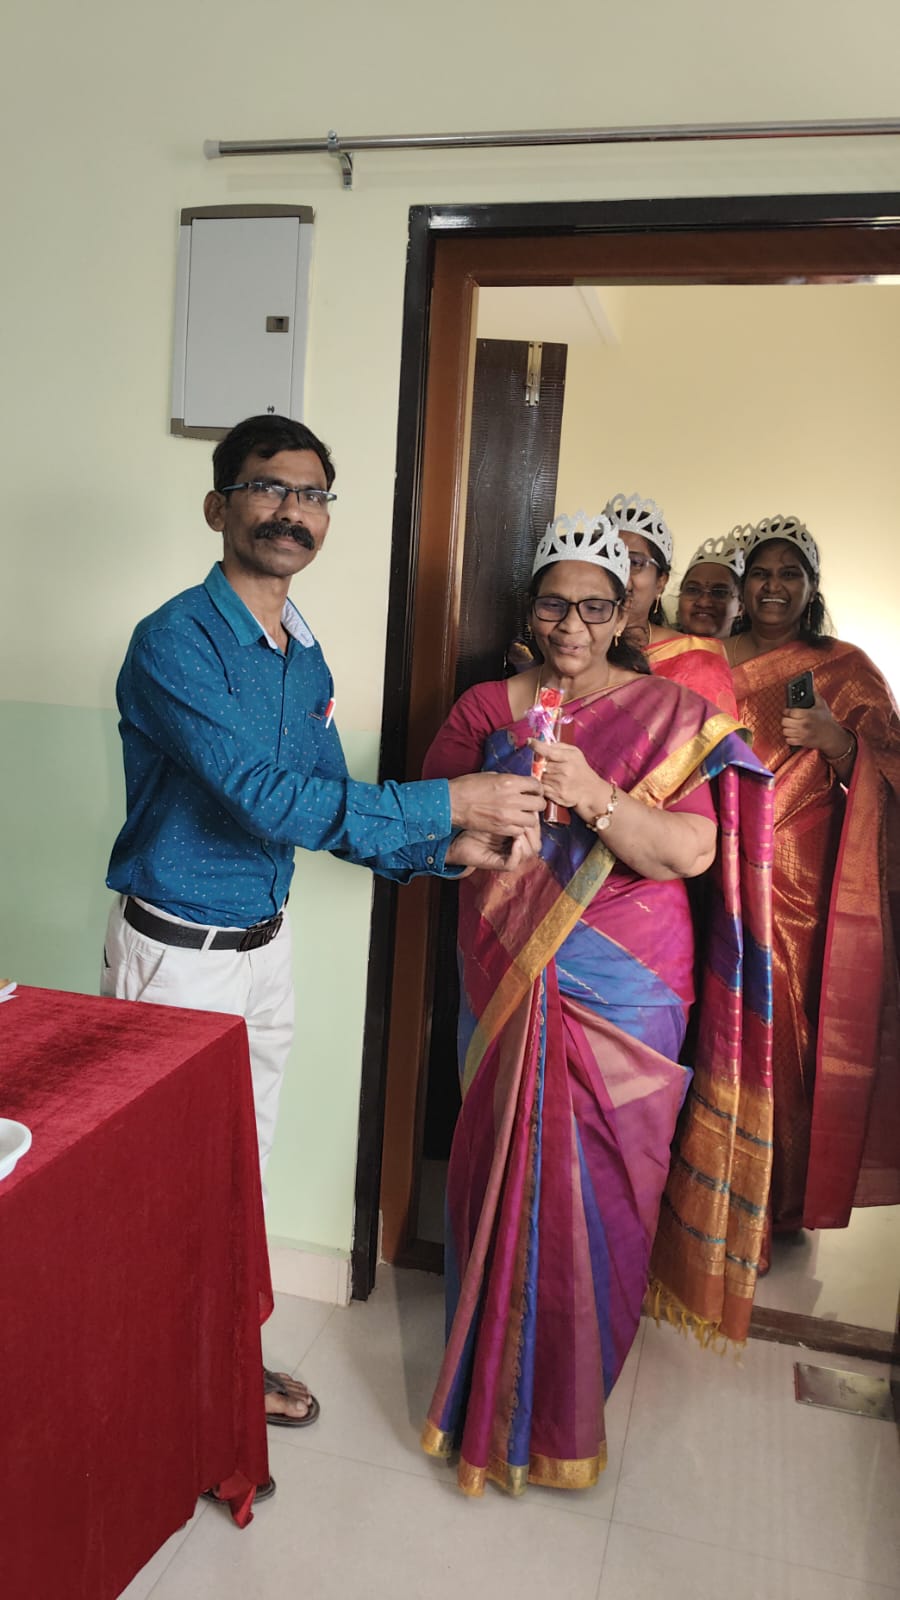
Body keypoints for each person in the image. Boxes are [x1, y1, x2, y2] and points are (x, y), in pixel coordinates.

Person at [101, 414, 544, 1453]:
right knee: (164, 1183)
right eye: (268, 488)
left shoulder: (301, 653)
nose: (290, 511)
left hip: (265, 948)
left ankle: (218, 1364)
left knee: (237, 1173)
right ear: (219, 506)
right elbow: (265, 799)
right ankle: (152, 1403)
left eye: (311, 495)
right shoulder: (174, 641)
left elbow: (324, 806)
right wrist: (448, 802)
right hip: (177, 956)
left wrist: (441, 851)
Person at [421, 511, 774, 1497]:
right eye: (553, 604)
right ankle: (487, 1400)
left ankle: (567, 1411)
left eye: (593, 607)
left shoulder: (669, 712)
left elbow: (692, 852)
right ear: (529, 611)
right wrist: (484, 829)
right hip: (506, 969)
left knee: (608, 1194)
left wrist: (596, 796)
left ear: (624, 615)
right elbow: (426, 827)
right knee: (494, 1173)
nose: (571, 625)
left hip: (628, 986)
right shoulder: (485, 708)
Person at [725, 514, 900, 1243]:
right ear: (742, 584)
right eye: (762, 573)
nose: (774, 586)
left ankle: (774, 1198)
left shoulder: (845, 667)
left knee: (783, 1021)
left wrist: (837, 740)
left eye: (790, 573)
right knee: (709, 1017)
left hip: (799, 877)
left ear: (811, 586)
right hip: (707, 858)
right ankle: (701, 1194)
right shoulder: (706, 656)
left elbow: (892, 769)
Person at [603, 492, 738, 715]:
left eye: (635, 562)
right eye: (608, 558)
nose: (620, 574)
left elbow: (719, 737)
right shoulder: (570, 647)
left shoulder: (697, 661)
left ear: (661, 582)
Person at [676, 529, 748, 640]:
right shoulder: (656, 650)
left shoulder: (754, 652)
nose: (703, 602)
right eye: (693, 590)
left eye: (719, 593)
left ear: (741, 606)